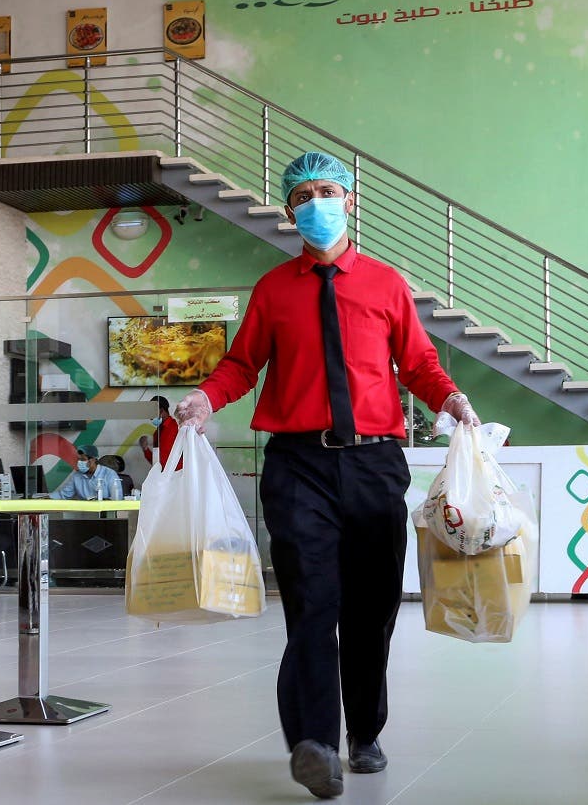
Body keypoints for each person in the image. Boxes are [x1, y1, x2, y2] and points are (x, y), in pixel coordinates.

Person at [175, 152, 479, 800]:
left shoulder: (387, 284)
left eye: (328, 190)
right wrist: (205, 397)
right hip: (296, 464)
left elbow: (419, 362)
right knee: (312, 604)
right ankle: (314, 742)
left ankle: (364, 730)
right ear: (289, 210)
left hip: (374, 462)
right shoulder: (273, 289)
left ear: (350, 200)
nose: (317, 201)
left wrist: (448, 397)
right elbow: (240, 363)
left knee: (371, 610)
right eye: (304, 193)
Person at [50, 444, 121, 501]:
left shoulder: (109, 474)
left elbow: (118, 498)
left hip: (105, 515)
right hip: (84, 515)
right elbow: (63, 495)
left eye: (82, 459)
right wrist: (44, 497)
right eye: (78, 459)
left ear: (93, 459)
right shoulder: (77, 476)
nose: (79, 462)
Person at [138, 395, 179, 470]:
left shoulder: (176, 428)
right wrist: (145, 448)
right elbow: (156, 461)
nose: (150, 417)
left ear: (161, 410)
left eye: (152, 412)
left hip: (176, 475)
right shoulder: (157, 432)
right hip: (162, 475)